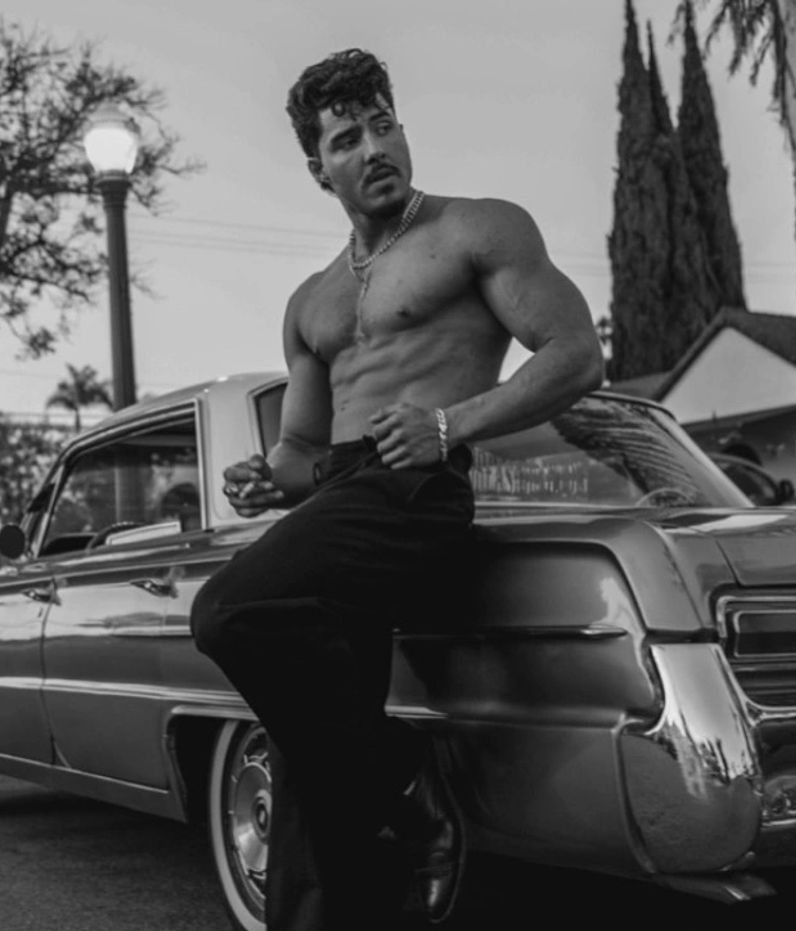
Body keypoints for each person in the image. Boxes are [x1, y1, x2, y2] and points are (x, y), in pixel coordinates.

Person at [191, 48, 603, 931]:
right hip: (343, 499)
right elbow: (305, 448)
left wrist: (449, 425)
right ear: (319, 168)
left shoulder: (476, 229)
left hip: (416, 488)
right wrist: (268, 478)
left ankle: (407, 775)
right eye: (347, 138)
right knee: (310, 761)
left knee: (227, 610)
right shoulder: (311, 300)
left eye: (384, 126)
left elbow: (577, 355)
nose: (374, 148)